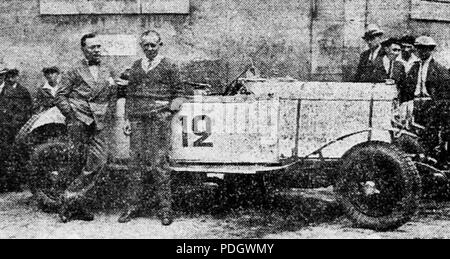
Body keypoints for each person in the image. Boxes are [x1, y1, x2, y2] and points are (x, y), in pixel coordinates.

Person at [118, 30, 184, 226]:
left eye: (153, 45)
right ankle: (131, 207)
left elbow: (179, 93)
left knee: (159, 165)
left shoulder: (170, 65)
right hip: (138, 121)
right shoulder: (136, 66)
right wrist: (128, 119)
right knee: (135, 165)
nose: (149, 49)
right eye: (145, 45)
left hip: (158, 122)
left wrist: (167, 112)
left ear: (160, 44)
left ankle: (165, 210)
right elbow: (130, 94)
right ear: (142, 46)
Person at [55, 33, 119, 223]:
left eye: (99, 47)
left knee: (98, 161)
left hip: (99, 121)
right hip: (79, 120)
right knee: (77, 163)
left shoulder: (108, 68)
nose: (97, 50)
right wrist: (72, 115)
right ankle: (77, 207)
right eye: (93, 47)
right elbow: (60, 96)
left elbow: (113, 94)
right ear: (83, 49)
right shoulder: (74, 69)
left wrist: (109, 113)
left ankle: (68, 196)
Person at [404, 36, 450, 167]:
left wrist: (436, 108)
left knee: (430, 136)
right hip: (415, 105)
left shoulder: (439, 70)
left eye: (425, 49)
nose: (422, 52)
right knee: (414, 135)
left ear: (431, 50)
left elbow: (444, 95)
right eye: (419, 49)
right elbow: (407, 88)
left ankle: (431, 163)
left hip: (432, 106)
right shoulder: (414, 68)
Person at [0, 67, 33, 192]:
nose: (10, 78)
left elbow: (28, 109)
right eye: (9, 76)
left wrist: (17, 122)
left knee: (17, 154)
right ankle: (4, 184)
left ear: (17, 77)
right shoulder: (4, 90)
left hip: (16, 128)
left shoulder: (23, 91)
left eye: (13, 76)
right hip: (4, 128)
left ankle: (16, 184)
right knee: (4, 155)